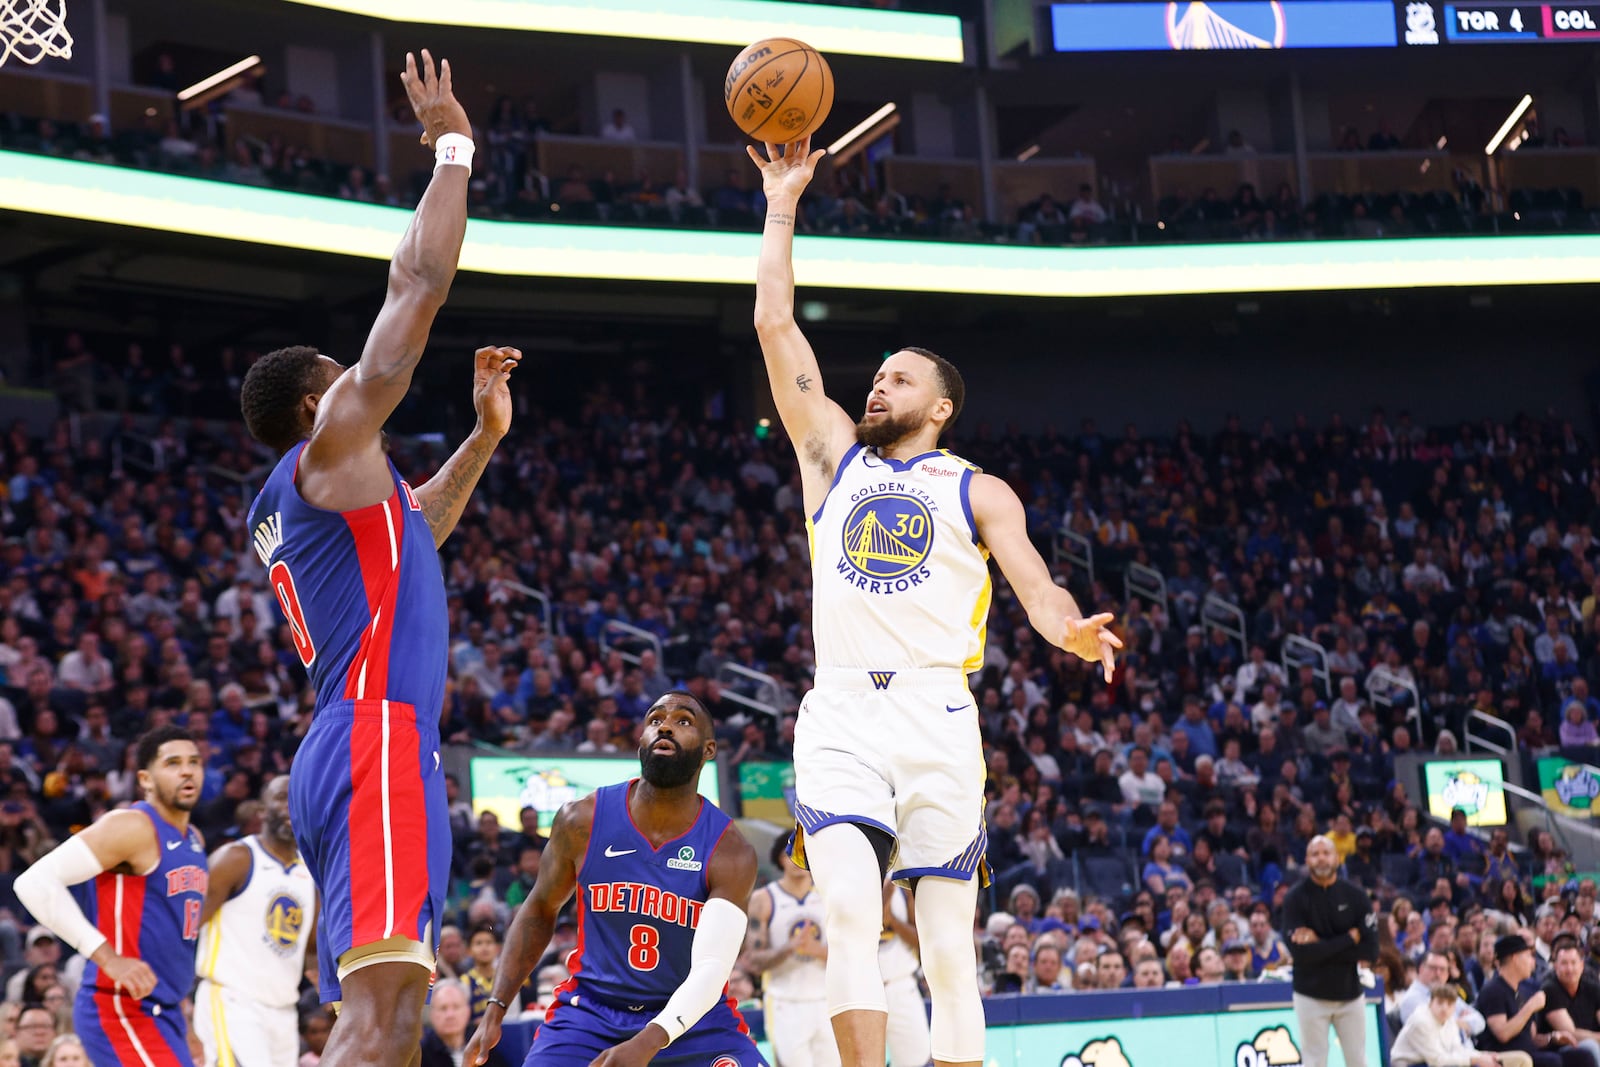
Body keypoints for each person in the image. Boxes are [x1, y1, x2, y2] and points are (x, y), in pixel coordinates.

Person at [746, 134, 1120, 1067]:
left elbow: (1036, 585)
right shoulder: (832, 454)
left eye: (899, 377)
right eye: (877, 374)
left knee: (949, 947)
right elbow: (773, 325)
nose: (878, 383)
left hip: (939, 710)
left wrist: (1067, 629)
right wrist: (784, 200)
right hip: (840, 706)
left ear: (941, 405)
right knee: (846, 907)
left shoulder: (979, 490)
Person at [237, 50, 520, 1067]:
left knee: (389, 1008)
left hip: (342, 742)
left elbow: (418, 534)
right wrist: (454, 149)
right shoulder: (330, 445)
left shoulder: (317, 502)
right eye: (341, 373)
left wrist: (483, 439)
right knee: (385, 1015)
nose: (360, 377)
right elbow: (417, 290)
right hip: (374, 739)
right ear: (319, 404)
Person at [463, 691, 764, 1066]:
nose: (665, 726)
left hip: (692, 1020)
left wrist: (647, 1042)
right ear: (641, 740)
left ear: (708, 750)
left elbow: (712, 970)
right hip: (590, 1012)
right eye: (655, 720)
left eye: (683, 721)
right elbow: (539, 909)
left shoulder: (730, 850)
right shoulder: (582, 820)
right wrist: (496, 1008)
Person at [15, 726, 207, 1067]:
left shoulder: (194, 839)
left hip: (166, 1011)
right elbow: (33, 883)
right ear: (146, 779)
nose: (187, 770)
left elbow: (172, 939)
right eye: (173, 763)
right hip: (121, 1006)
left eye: (194, 762)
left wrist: (184, 1018)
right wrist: (108, 958)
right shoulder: (131, 826)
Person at [193, 776, 317, 1067]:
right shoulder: (236, 858)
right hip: (233, 1001)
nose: (290, 806)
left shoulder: (310, 876)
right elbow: (186, 926)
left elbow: (310, 952)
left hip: (284, 1012)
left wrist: (334, 995)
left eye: (298, 799)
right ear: (261, 809)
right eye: (282, 797)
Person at [1283, 835, 1379, 1067]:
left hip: (1350, 994)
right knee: (1314, 1061)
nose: (1321, 859)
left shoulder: (1356, 896)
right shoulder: (1294, 898)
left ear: (1337, 858)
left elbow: (1370, 950)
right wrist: (1348, 938)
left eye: (1326, 853)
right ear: (1307, 860)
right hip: (1309, 995)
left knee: (1358, 1061)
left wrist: (1319, 943)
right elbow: (1301, 954)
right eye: (1315, 854)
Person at [742, 838, 834, 1067]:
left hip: (828, 1001)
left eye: (803, 853)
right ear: (779, 859)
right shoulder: (763, 900)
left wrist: (817, 950)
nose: (796, 860)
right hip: (785, 1003)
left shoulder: (829, 895)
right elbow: (753, 961)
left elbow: (851, 956)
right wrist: (789, 948)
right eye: (789, 853)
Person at [1476, 934, 1587, 1067]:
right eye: (1529, 956)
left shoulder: (1521, 992)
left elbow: (1531, 1039)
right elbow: (1503, 1034)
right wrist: (1530, 1007)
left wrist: (1553, 1037)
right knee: (1552, 1062)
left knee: (1582, 1056)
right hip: (1504, 1057)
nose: (1532, 962)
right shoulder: (1493, 991)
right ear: (1515, 958)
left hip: (1530, 1053)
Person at [879, 882, 932, 1067]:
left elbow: (922, 940)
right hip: (863, 989)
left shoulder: (902, 883)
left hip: (900, 985)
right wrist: (881, 910)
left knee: (917, 1062)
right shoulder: (853, 874)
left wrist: (892, 920)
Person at [1390, 984, 1506, 1067]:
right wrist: (1476, 1059)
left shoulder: (1449, 1019)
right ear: (1431, 1003)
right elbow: (1437, 1061)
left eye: (1449, 1004)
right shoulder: (1421, 1021)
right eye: (1440, 1003)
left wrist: (1482, 1056)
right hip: (1409, 1064)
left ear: (1455, 1007)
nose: (1444, 1008)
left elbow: (1457, 1049)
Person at [419, 980, 507, 1067]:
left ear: (468, 1011)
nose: (450, 1015)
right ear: (431, 1014)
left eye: (456, 1007)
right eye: (443, 1008)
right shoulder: (422, 1053)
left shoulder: (483, 1044)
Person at [1541, 941, 1600, 1066]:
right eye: (1564, 963)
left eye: (1573, 963)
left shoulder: (1593, 988)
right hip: (1562, 1048)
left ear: (1582, 965)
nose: (1569, 969)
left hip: (1594, 1042)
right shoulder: (1549, 989)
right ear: (1555, 966)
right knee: (1591, 1047)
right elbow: (1570, 1034)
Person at [1402, 952, 1488, 1036]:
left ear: (1447, 974)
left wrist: (1451, 1023)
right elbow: (1430, 1032)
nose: (1438, 974)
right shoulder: (1411, 998)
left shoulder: (1445, 993)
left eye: (1443, 969)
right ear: (1421, 969)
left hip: (1463, 1049)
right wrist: (1461, 1023)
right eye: (1433, 968)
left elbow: (1480, 1021)